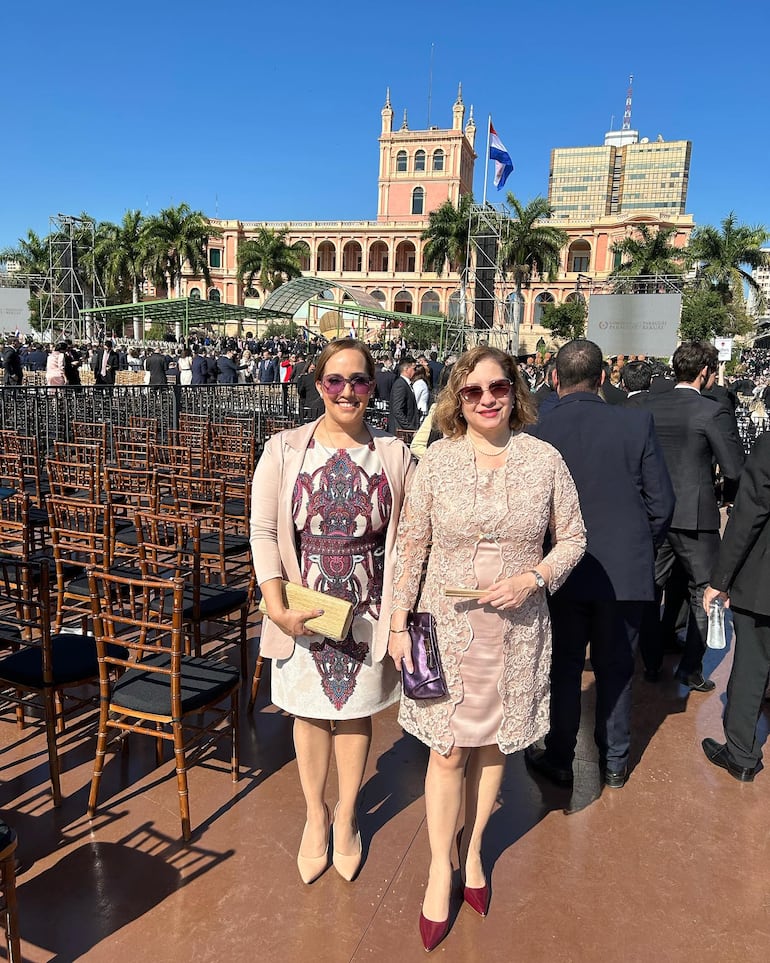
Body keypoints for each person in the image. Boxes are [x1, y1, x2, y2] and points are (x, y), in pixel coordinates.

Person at [388, 346, 585, 951]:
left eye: (498, 387)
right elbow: (411, 546)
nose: (487, 399)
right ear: (456, 399)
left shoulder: (544, 459)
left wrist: (533, 577)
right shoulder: (437, 462)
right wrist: (397, 623)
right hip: (445, 632)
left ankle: (473, 853)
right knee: (447, 751)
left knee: (497, 745)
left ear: (515, 391)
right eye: (472, 391)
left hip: (518, 634)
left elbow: (573, 537)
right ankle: (437, 870)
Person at [250, 339, 414, 886]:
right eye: (336, 380)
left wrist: (398, 617)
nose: (347, 391)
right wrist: (274, 604)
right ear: (319, 385)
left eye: (360, 380)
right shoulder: (283, 449)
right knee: (308, 713)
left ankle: (347, 816)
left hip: (366, 608)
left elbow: (409, 541)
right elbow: (266, 531)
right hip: (302, 606)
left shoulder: (394, 454)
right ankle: (315, 816)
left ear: (373, 387)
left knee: (354, 715)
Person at [528, 339, 674, 790]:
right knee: (615, 669)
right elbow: (662, 502)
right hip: (624, 572)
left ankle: (560, 757)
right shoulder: (635, 424)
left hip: (562, 572)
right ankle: (614, 762)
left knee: (565, 667)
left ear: (554, 378)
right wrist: (637, 546)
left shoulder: (537, 430)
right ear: (604, 377)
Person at [640, 341, 745, 690]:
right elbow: (733, 468)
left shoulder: (648, 405)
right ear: (705, 373)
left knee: (650, 588)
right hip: (695, 518)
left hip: (653, 513)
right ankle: (689, 669)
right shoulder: (711, 411)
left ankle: (650, 662)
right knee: (707, 590)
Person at [701, 431, 770, 782]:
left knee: (752, 664)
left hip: (764, 583)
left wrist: (720, 580)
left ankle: (741, 753)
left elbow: (747, 515)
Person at [387, 357, 419, 434]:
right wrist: (410, 428)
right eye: (413, 369)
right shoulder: (400, 385)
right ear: (406, 369)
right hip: (401, 432)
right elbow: (397, 410)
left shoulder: (405, 384)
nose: (415, 371)